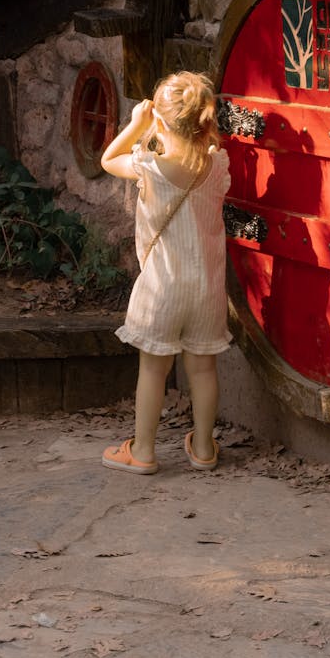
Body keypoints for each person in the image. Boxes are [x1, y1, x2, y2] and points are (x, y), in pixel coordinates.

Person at [101, 72, 231, 475]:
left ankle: (142, 451)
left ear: (159, 119)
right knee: (203, 369)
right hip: (207, 289)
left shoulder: (148, 168)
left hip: (161, 290)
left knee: (153, 371)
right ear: (206, 122)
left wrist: (137, 125)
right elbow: (204, 146)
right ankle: (205, 448)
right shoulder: (217, 166)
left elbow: (106, 160)